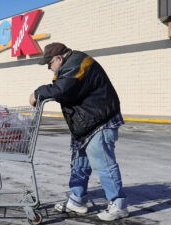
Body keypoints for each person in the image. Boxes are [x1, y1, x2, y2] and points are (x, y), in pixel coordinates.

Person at [29, 42, 129, 221]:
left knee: (103, 164)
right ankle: (77, 199)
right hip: (87, 125)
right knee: (79, 164)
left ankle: (118, 204)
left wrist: (37, 93)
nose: (48, 68)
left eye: (49, 64)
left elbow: (63, 90)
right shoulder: (70, 65)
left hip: (100, 122)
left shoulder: (78, 64)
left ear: (59, 59)